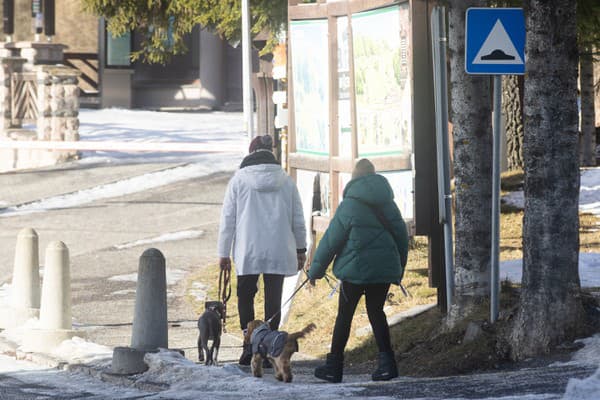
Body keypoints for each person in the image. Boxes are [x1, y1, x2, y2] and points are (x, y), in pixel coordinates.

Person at [307, 158, 408, 383]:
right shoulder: (389, 204)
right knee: (376, 312)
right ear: (373, 176)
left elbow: (331, 241)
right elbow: (401, 237)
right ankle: (388, 365)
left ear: (354, 177)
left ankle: (334, 367)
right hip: (383, 269)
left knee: (345, 315)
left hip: (354, 270)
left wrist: (315, 271)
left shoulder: (349, 205)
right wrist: (398, 269)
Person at [217, 134, 307, 366]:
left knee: (245, 296)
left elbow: (228, 219)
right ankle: (268, 348)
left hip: (248, 249)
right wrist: (300, 248)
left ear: (250, 153)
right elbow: (298, 218)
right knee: (273, 298)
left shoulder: (238, 180)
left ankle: (248, 348)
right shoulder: (286, 180)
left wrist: (224, 253)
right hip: (278, 248)